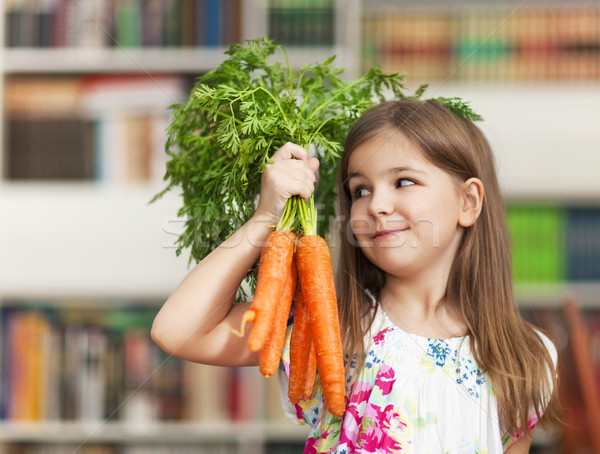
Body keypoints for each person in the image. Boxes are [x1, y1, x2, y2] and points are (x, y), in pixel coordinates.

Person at [151, 98, 559, 453]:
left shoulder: (528, 359)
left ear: (468, 202)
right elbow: (178, 330)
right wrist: (265, 217)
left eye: (403, 181)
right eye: (360, 190)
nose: (376, 204)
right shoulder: (329, 328)